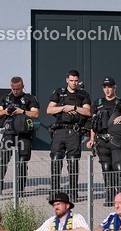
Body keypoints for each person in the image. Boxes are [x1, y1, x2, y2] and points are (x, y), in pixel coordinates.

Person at [86, 77, 121, 206]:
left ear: (114, 87)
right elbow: (94, 124)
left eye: (110, 87)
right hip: (102, 140)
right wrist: (91, 139)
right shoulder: (97, 103)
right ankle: (110, 195)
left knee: (119, 167)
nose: (107, 90)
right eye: (105, 87)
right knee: (106, 167)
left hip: (117, 140)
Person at [46, 70, 92, 201]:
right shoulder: (59, 93)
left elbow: (88, 112)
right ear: (67, 80)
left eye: (76, 81)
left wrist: (74, 108)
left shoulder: (83, 94)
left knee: (73, 161)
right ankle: (54, 192)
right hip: (60, 130)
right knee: (56, 159)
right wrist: (63, 107)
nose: (74, 83)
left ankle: (73, 193)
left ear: (79, 81)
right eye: (71, 80)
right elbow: (49, 110)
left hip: (74, 131)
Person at [0, 76, 40, 196]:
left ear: (22, 87)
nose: (15, 91)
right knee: (1, 159)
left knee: (22, 161)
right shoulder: (6, 98)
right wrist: (5, 111)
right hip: (9, 132)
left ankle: (19, 190)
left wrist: (21, 111)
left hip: (24, 134)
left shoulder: (29, 98)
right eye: (13, 89)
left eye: (18, 89)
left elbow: (35, 114)